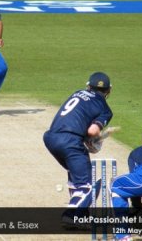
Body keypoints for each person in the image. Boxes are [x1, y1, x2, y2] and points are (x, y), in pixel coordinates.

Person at [43, 72, 113, 210]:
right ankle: (72, 216)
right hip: (70, 142)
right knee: (87, 186)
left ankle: (80, 216)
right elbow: (92, 131)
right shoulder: (105, 109)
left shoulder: (78, 93)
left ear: (88, 86)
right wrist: (96, 140)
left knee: (75, 174)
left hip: (50, 137)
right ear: (109, 90)